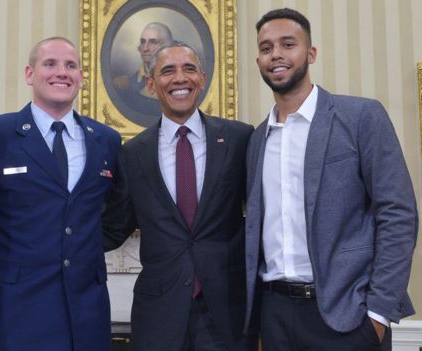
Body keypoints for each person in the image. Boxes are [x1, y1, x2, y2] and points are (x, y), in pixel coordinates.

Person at [244, 8, 418, 351]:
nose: (276, 54)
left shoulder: (361, 117)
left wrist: (379, 314)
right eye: (266, 48)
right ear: (259, 60)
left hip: (347, 317)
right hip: (275, 315)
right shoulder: (257, 139)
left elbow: (398, 214)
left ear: (311, 53)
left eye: (287, 44)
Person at [0, 36, 121, 351]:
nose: (61, 72)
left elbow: (117, 214)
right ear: (29, 74)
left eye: (71, 65)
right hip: (12, 309)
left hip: (85, 313)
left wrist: (81, 244)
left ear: (80, 77)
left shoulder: (106, 140)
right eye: (50, 64)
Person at [103, 40, 256, 351]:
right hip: (159, 315)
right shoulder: (132, 154)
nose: (179, 79)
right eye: (167, 71)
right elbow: (114, 226)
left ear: (201, 77)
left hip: (227, 312)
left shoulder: (239, 139)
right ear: (151, 83)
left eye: (189, 69)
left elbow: (261, 215)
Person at [113, 22, 173, 126]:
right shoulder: (126, 85)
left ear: (167, 46)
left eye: (153, 42)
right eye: (142, 42)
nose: (145, 48)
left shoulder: (182, 84)